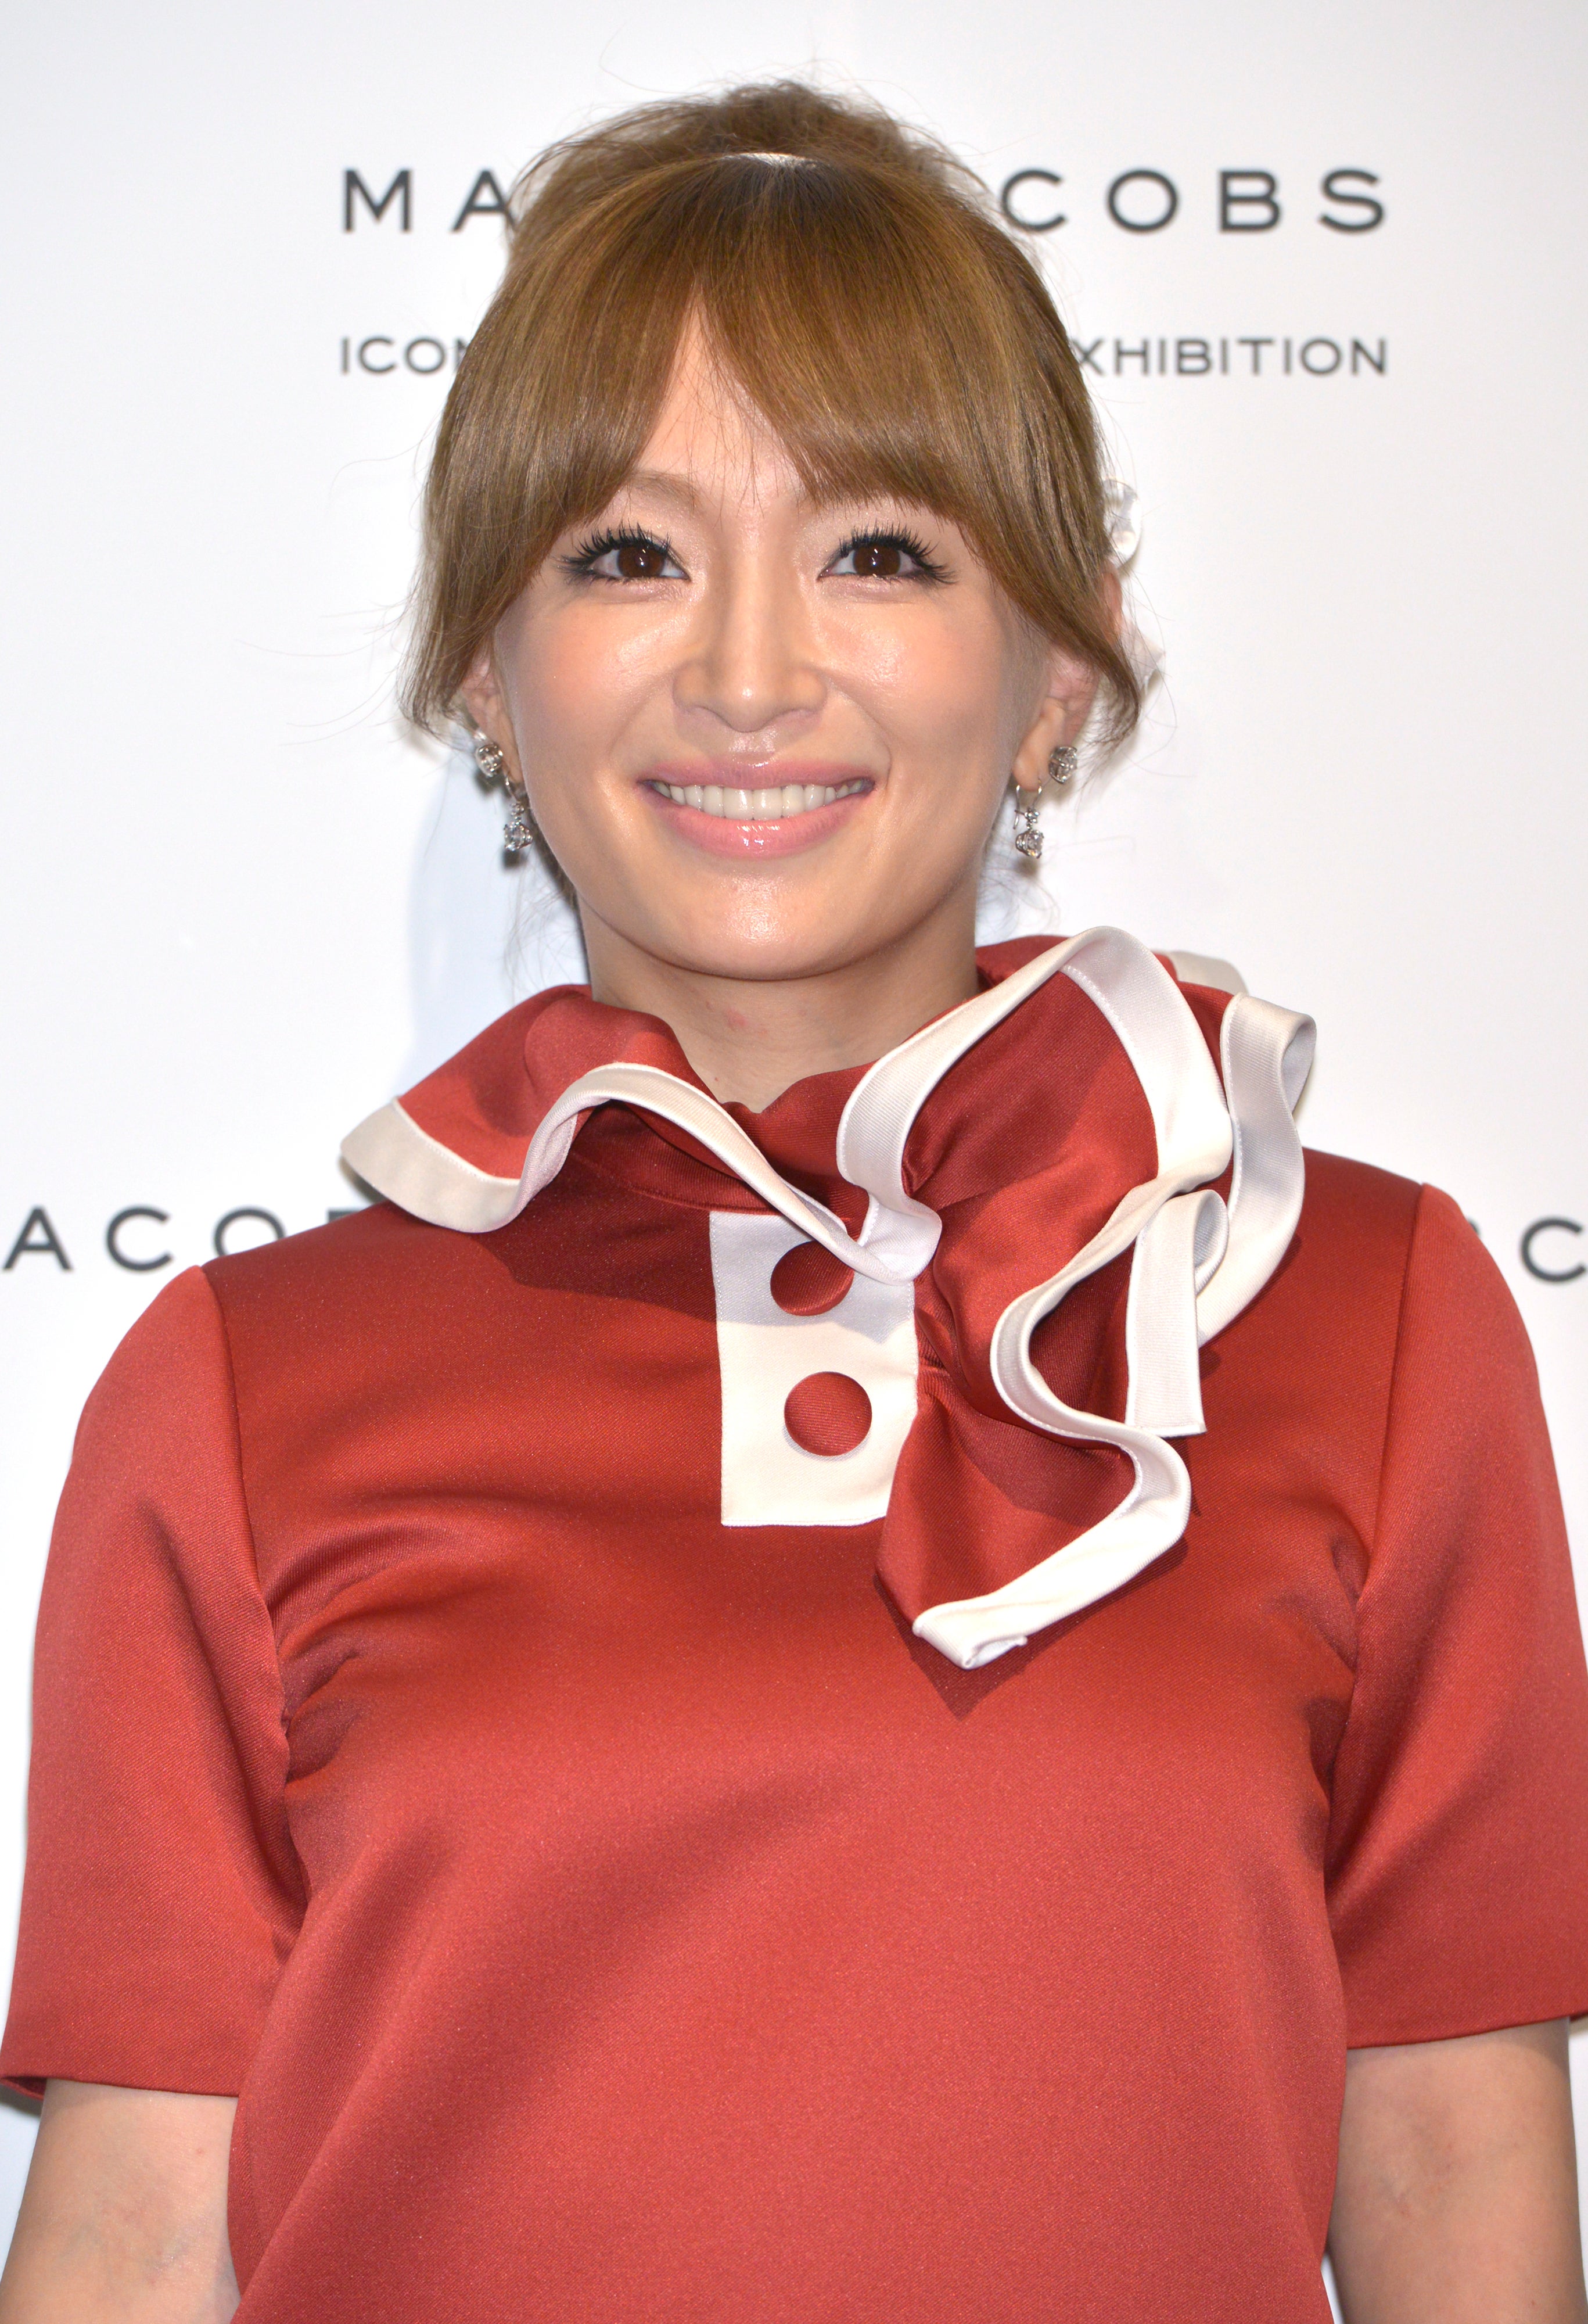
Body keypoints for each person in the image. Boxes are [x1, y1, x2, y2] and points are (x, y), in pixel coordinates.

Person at [2, 78, 1586, 2324]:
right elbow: (146, 2220)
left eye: (882, 553)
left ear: (1062, 665)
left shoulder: (1368, 1311)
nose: (750, 677)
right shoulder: (238, 1387)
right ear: (483, 669)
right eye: (629, 557)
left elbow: (1448, 2154)